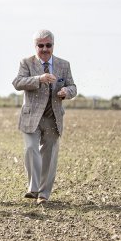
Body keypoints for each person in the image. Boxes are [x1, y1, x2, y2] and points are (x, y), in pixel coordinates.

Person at [12, 29, 77, 204]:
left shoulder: (64, 65)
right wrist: (39, 78)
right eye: (41, 45)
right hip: (31, 116)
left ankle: (43, 194)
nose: (45, 49)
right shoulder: (26, 63)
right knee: (31, 149)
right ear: (35, 46)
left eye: (48, 45)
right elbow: (17, 83)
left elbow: (73, 87)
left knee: (49, 155)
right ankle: (33, 188)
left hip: (53, 117)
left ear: (53, 45)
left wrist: (66, 92)